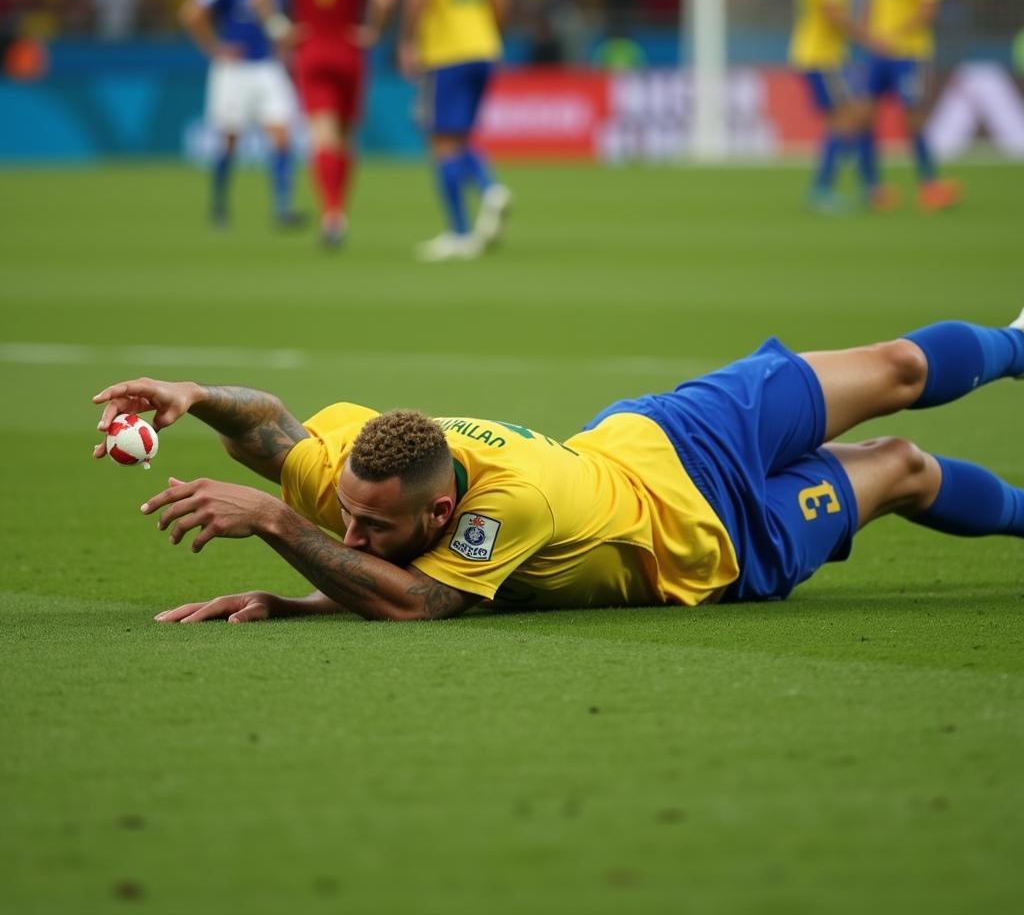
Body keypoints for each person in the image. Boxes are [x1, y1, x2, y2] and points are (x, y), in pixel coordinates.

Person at [92, 311, 1024, 624]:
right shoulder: (370, 466)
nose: (350, 531)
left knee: (899, 370)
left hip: (677, 437)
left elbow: (417, 604)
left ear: (443, 507)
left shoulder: (513, 504)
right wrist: (191, 395)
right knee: (902, 467)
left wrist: (276, 528)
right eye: (344, 514)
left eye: (371, 528)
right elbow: (275, 428)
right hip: (728, 542)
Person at [252, 0, 396, 249]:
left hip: (311, 50)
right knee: (346, 139)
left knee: (322, 136)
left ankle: (330, 214)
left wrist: (281, 29)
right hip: (349, 49)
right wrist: (373, 30)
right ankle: (339, 211)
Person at [388, 0, 512, 262]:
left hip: (446, 51)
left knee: (441, 139)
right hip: (484, 46)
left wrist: (407, 41)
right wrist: (492, 35)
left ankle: (461, 229)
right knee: (457, 136)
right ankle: (489, 192)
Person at [180, 0, 302, 229]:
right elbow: (192, 12)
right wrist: (214, 48)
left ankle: (282, 207)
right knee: (230, 140)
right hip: (234, 70)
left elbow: (279, 25)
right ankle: (219, 206)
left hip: (268, 68)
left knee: (282, 135)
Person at [789, 0, 895, 214]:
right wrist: (869, 38)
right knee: (847, 119)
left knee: (855, 117)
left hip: (829, 55)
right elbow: (833, 14)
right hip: (820, 56)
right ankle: (823, 189)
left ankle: (867, 186)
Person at [861, 0, 961, 212]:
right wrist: (867, 33)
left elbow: (928, 9)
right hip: (877, 53)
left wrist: (894, 34)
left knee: (912, 120)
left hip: (910, 53)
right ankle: (873, 188)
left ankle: (929, 185)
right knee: (864, 117)